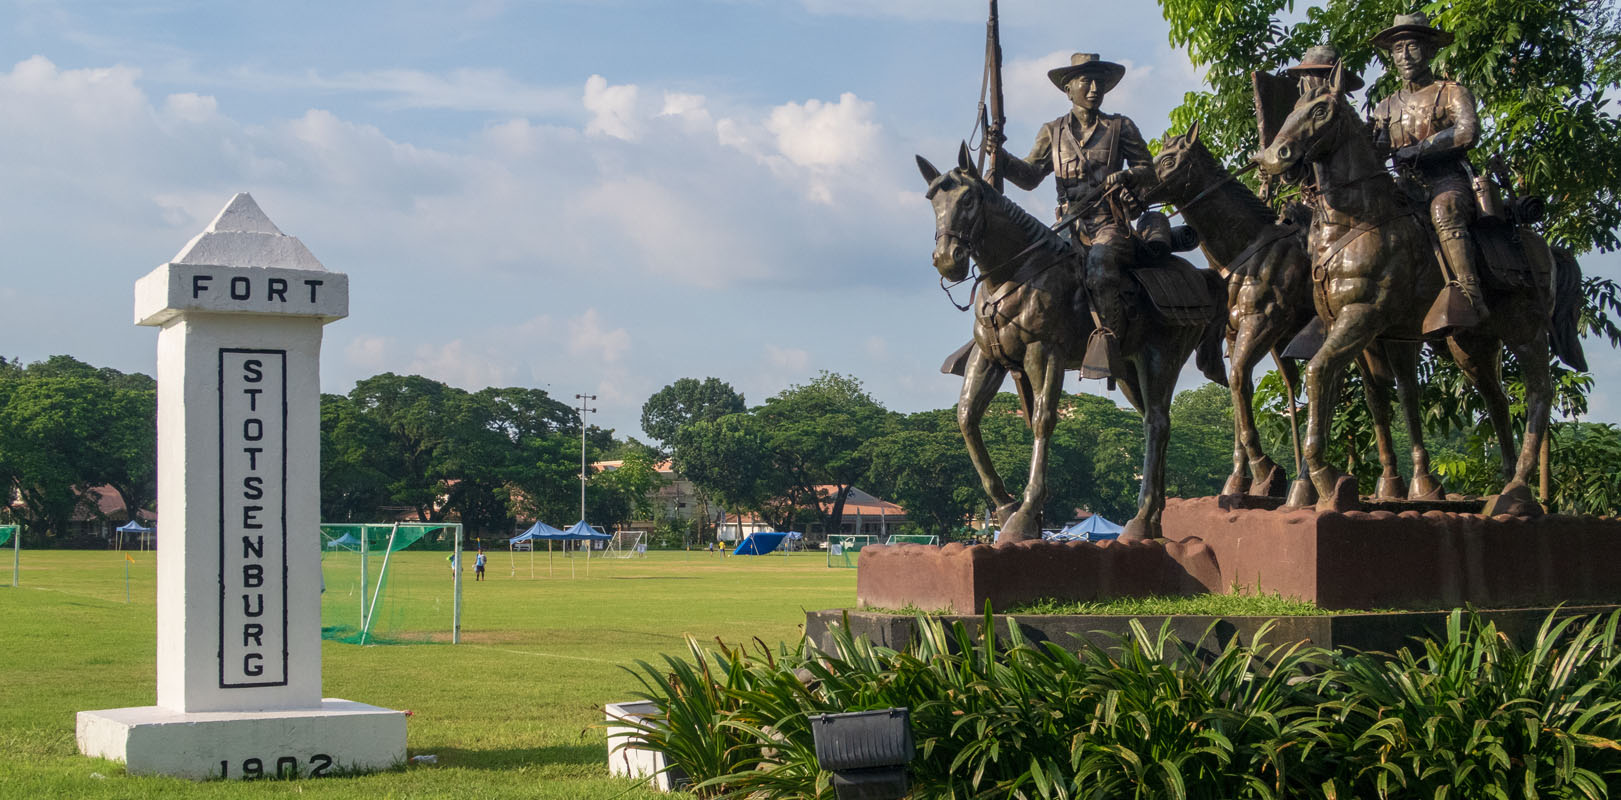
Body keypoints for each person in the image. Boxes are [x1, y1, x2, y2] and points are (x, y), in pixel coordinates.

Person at [997, 52, 1154, 377]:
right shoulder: (1052, 132)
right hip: (1068, 227)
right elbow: (1029, 177)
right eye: (1087, 81)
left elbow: (1149, 171)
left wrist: (1126, 176)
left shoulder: (1120, 127)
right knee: (1027, 270)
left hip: (1110, 226)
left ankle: (1107, 342)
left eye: (1100, 82)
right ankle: (1000, 338)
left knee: (1098, 265)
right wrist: (1000, 157)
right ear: (1069, 89)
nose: (1095, 88)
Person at [1368, 12, 1486, 328]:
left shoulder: (1450, 91)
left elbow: (1466, 132)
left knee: (1443, 210)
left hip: (1446, 180)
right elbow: (1376, 152)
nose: (1404, 55)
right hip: (1403, 187)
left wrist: (1417, 149)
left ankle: (1469, 291)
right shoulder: (1385, 107)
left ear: (1430, 50)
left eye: (1412, 46)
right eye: (1397, 49)